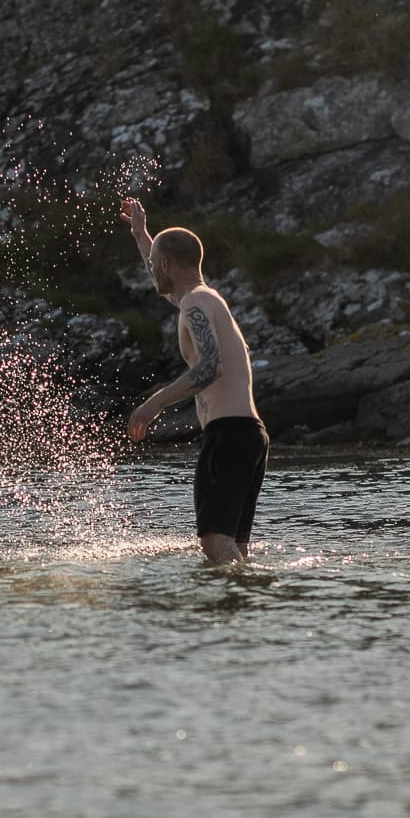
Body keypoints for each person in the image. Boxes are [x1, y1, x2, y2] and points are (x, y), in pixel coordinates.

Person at [121, 198, 269, 565]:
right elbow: (167, 282)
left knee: (215, 544)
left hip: (230, 434)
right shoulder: (202, 298)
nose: (153, 270)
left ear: (167, 265)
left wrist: (154, 402)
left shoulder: (196, 305)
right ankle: (243, 609)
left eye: (156, 265)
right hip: (250, 435)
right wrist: (142, 234)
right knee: (234, 548)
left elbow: (210, 368)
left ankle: (221, 618)